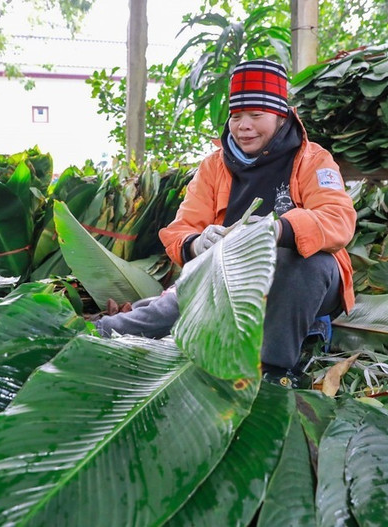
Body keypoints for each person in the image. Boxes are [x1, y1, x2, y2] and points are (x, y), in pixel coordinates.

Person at [96, 59, 356, 387]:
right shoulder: (213, 167)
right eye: (236, 116)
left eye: (256, 116)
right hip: (228, 277)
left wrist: (277, 230)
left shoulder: (313, 159)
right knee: (165, 311)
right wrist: (196, 244)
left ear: (280, 115)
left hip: (300, 280)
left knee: (306, 263)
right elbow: (180, 230)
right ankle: (99, 333)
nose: (243, 126)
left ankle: (270, 371)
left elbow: (338, 219)